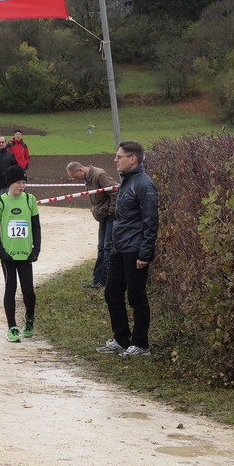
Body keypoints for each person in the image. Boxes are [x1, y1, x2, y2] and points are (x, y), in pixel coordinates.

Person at [96, 141, 159, 358]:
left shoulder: (144, 184)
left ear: (132, 159)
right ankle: (121, 339)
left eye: (119, 156)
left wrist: (145, 253)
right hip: (119, 248)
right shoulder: (126, 180)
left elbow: (151, 221)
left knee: (136, 297)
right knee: (112, 293)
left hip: (135, 250)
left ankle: (140, 343)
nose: (115, 160)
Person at [0, 165, 41, 342]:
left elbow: (36, 226)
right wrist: (1, 253)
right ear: (10, 183)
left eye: (24, 182)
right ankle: (12, 326)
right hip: (8, 256)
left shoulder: (30, 200)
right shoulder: (0, 202)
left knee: (28, 291)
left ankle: (29, 318)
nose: (22, 186)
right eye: (18, 182)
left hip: (25, 254)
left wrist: (36, 249)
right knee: (10, 288)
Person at [66, 160, 119, 290]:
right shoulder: (88, 178)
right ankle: (97, 280)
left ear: (80, 170)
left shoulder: (99, 175)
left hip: (109, 216)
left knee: (107, 248)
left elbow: (115, 191)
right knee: (101, 248)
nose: (76, 179)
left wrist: (111, 212)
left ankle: (105, 280)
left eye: (75, 176)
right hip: (102, 216)